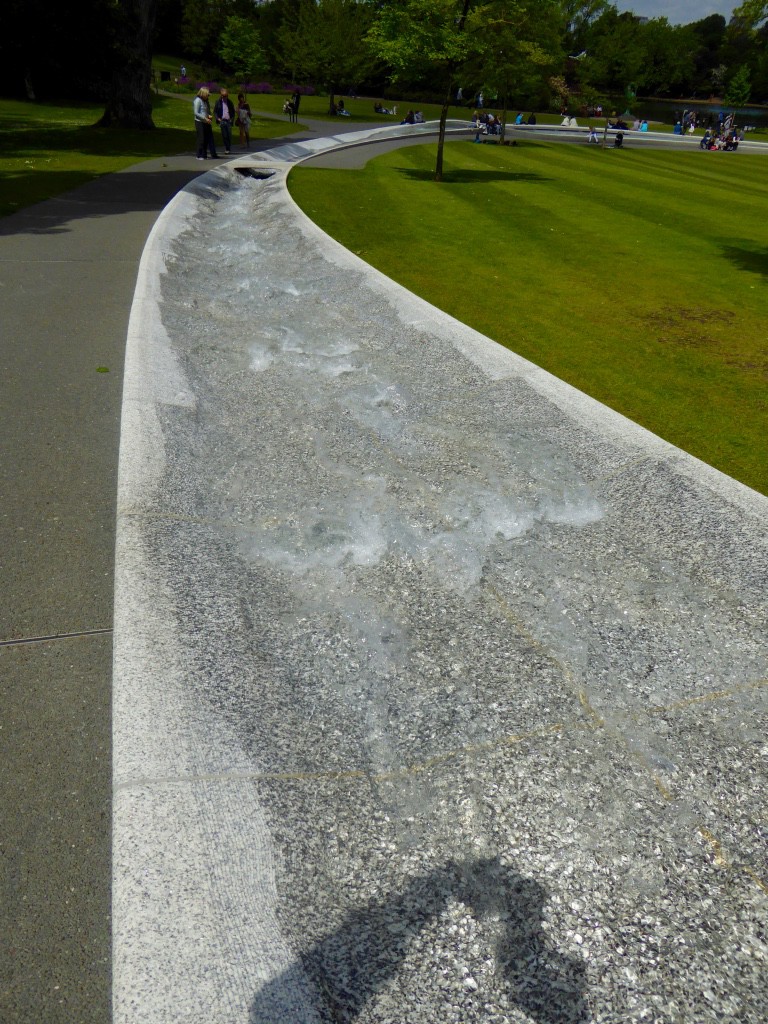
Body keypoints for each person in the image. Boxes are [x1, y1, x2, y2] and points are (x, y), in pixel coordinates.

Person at [193, 87, 217, 160]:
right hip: (199, 122)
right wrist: (205, 118)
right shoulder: (198, 100)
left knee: (206, 139)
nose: (208, 96)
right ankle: (198, 155)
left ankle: (204, 154)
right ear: (203, 94)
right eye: (207, 95)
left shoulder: (205, 101)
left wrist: (208, 116)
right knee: (201, 138)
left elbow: (206, 111)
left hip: (206, 121)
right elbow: (196, 113)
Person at [214, 87, 235, 154]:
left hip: (228, 120)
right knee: (224, 135)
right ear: (221, 95)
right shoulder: (218, 102)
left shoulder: (229, 102)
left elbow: (233, 112)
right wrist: (217, 118)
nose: (224, 97)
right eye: (223, 96)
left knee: (229, 135)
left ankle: (228, 146)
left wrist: (232, 119)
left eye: (226, 96)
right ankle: (227, 148)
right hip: (222, 120)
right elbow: (215, 111)